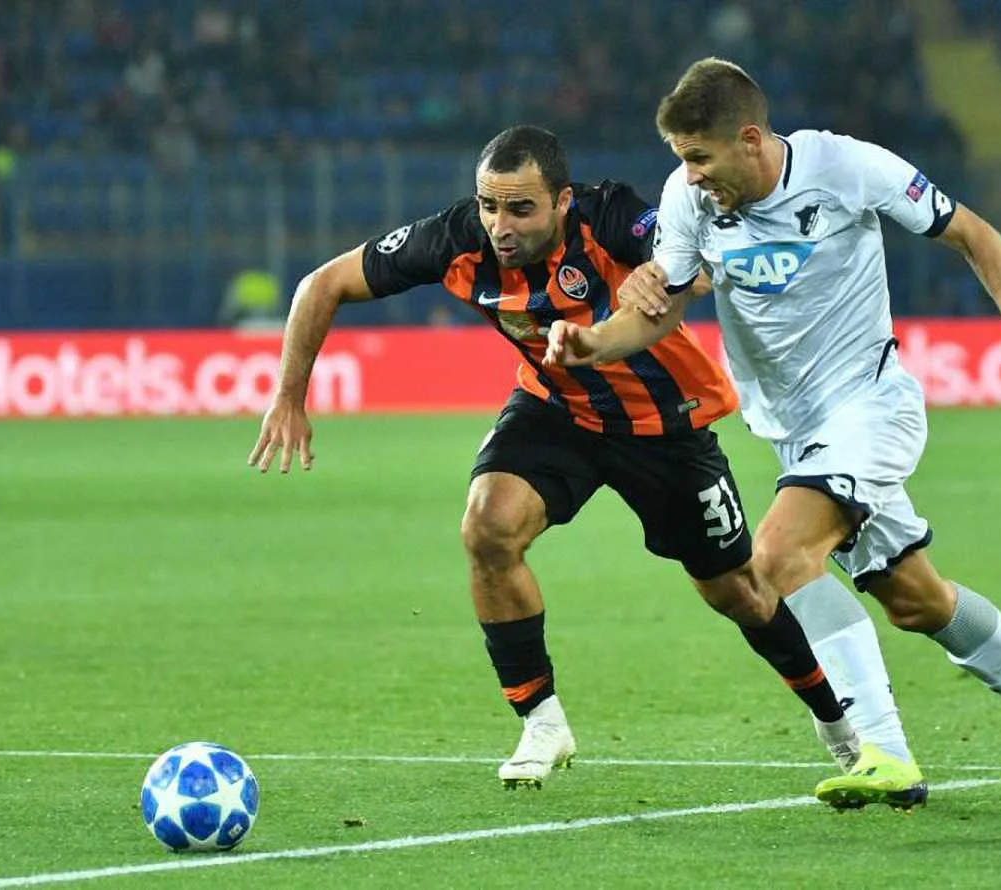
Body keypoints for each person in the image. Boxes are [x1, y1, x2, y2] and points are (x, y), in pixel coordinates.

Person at [247, 125, 893, 797]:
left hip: (664, 423)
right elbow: (322, 284)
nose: (500, 225)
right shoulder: (454, 239)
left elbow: (690, 259)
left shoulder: (609, 215)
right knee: (487, 527)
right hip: (558, 409)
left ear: (561, 202)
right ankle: (542, 721)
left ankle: (838, 725)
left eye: (520, 208)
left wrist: (667, 271)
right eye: (489, 206)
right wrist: (289, 397)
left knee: (739, 591)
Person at [544, 59, 1001, 811]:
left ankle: (884, 752)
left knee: (776, 555)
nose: (691, 174)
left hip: (871, 408)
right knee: (916, 601)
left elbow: (976, 235)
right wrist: (594, 343)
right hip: (795, 436)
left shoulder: (846, 167)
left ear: (749, 140)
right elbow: (661, 305)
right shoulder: (688, 197)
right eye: (681, 158)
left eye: (700, 157)